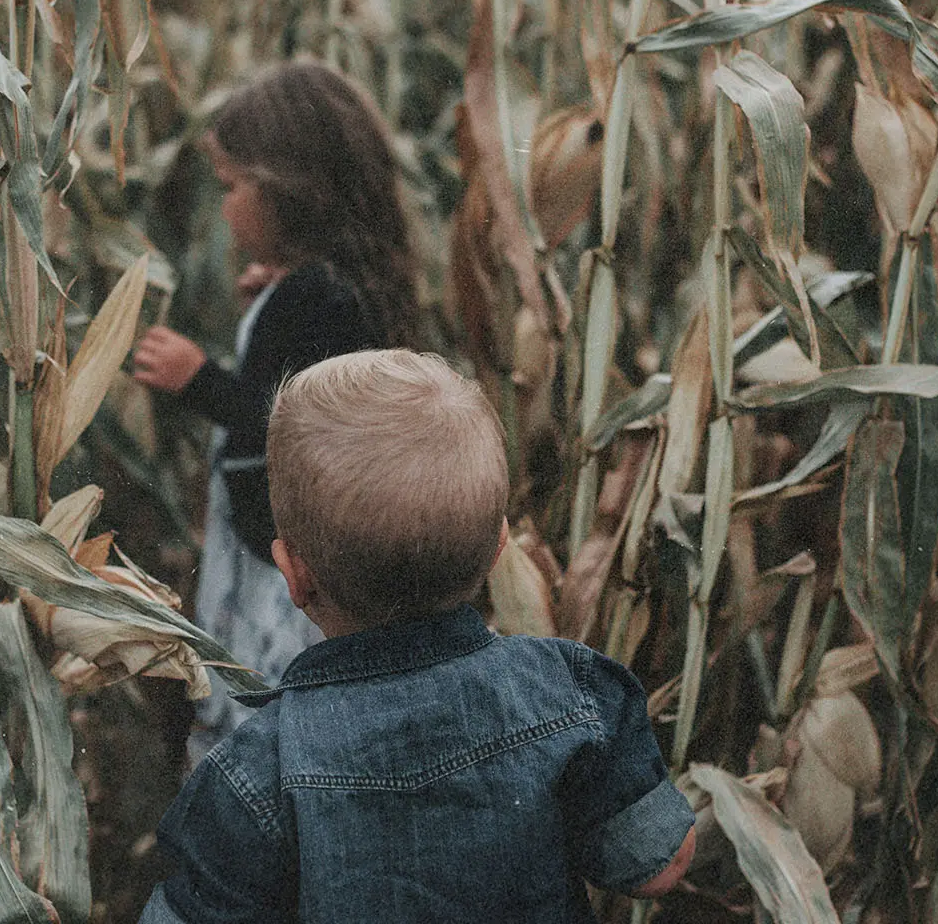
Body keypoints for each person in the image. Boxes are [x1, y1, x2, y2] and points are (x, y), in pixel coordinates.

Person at [140, 350, 698, 924]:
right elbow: (659, 864)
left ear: (294, 574)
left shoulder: (255, 772)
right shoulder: (569, 691)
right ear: (500, 547)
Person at [132, 62, 420, 762]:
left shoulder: (320, 300)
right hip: (278, 553)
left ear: (293, 193)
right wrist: (268, 302)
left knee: (264, 708)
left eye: (233, 189)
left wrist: (200, 381)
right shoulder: (325, 288)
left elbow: (299, 420)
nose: (224, 210)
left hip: (284, 567)